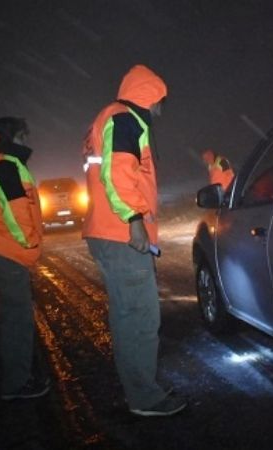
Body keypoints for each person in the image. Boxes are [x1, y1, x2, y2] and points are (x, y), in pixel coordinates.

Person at [82, 64, 187, 417]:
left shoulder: (114, 118)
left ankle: (142, 386)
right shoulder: (124, 119)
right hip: (121, 234)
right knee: (139, 319)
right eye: (160, 100)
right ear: (149, 95)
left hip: (110, 233)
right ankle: (144, 397)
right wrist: (134, 220)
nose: (160, 108)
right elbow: (119, 175)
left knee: (131, 316)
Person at [0, 117, 51, 400]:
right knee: (17, 320)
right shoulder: (5, 165)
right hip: (6, 252)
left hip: (0, 249)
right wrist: (30, 242)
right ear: (12, 138)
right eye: (23, 136)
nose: (26, 141)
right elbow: (16, 210)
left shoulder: (1, 163)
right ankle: (16, 383)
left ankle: (20, 374)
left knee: (15, 317)